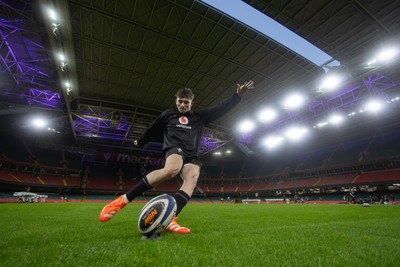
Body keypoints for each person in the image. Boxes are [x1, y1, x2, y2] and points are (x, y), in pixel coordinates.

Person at [99, 80, 255, 234]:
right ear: (176, 100)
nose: (182, 105)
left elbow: (220, 108)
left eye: (186, 102)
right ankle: (122, 201)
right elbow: (151, 129)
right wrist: (141, 141)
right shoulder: (168, 114)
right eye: (180, 101)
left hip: (192, 154)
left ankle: (171, 218)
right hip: (174, 147)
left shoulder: (199, 116)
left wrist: (237, 96)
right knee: (172, 169)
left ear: (192, 103)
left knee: (192, 178)